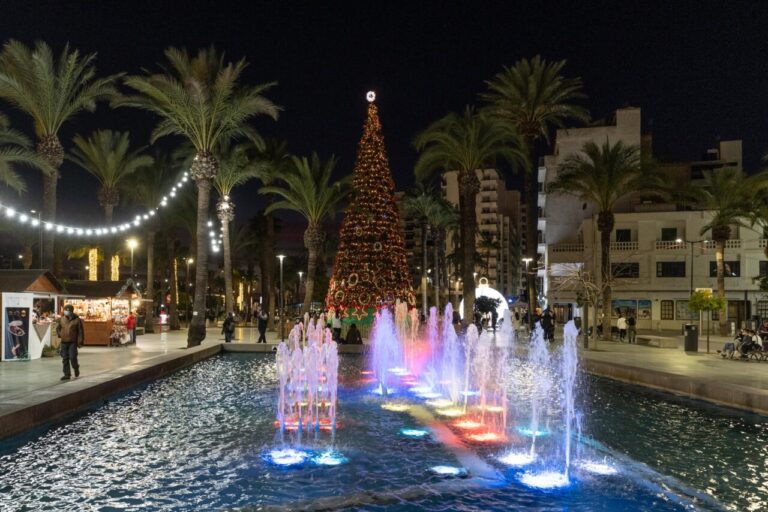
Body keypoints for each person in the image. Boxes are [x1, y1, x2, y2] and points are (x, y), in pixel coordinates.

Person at [56, 304, 83, 380]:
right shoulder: (61, 319)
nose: (66, 312)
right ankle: (67, 374)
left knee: (72, 357)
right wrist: (60, 334)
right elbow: (58, 328)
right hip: (64, 341)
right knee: (65, 358)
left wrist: (80, 341)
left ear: (71, 311)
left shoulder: (77, 320)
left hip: (72, 342)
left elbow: (80, 331)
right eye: (65, 310)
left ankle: (76, 367)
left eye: (68, 311)